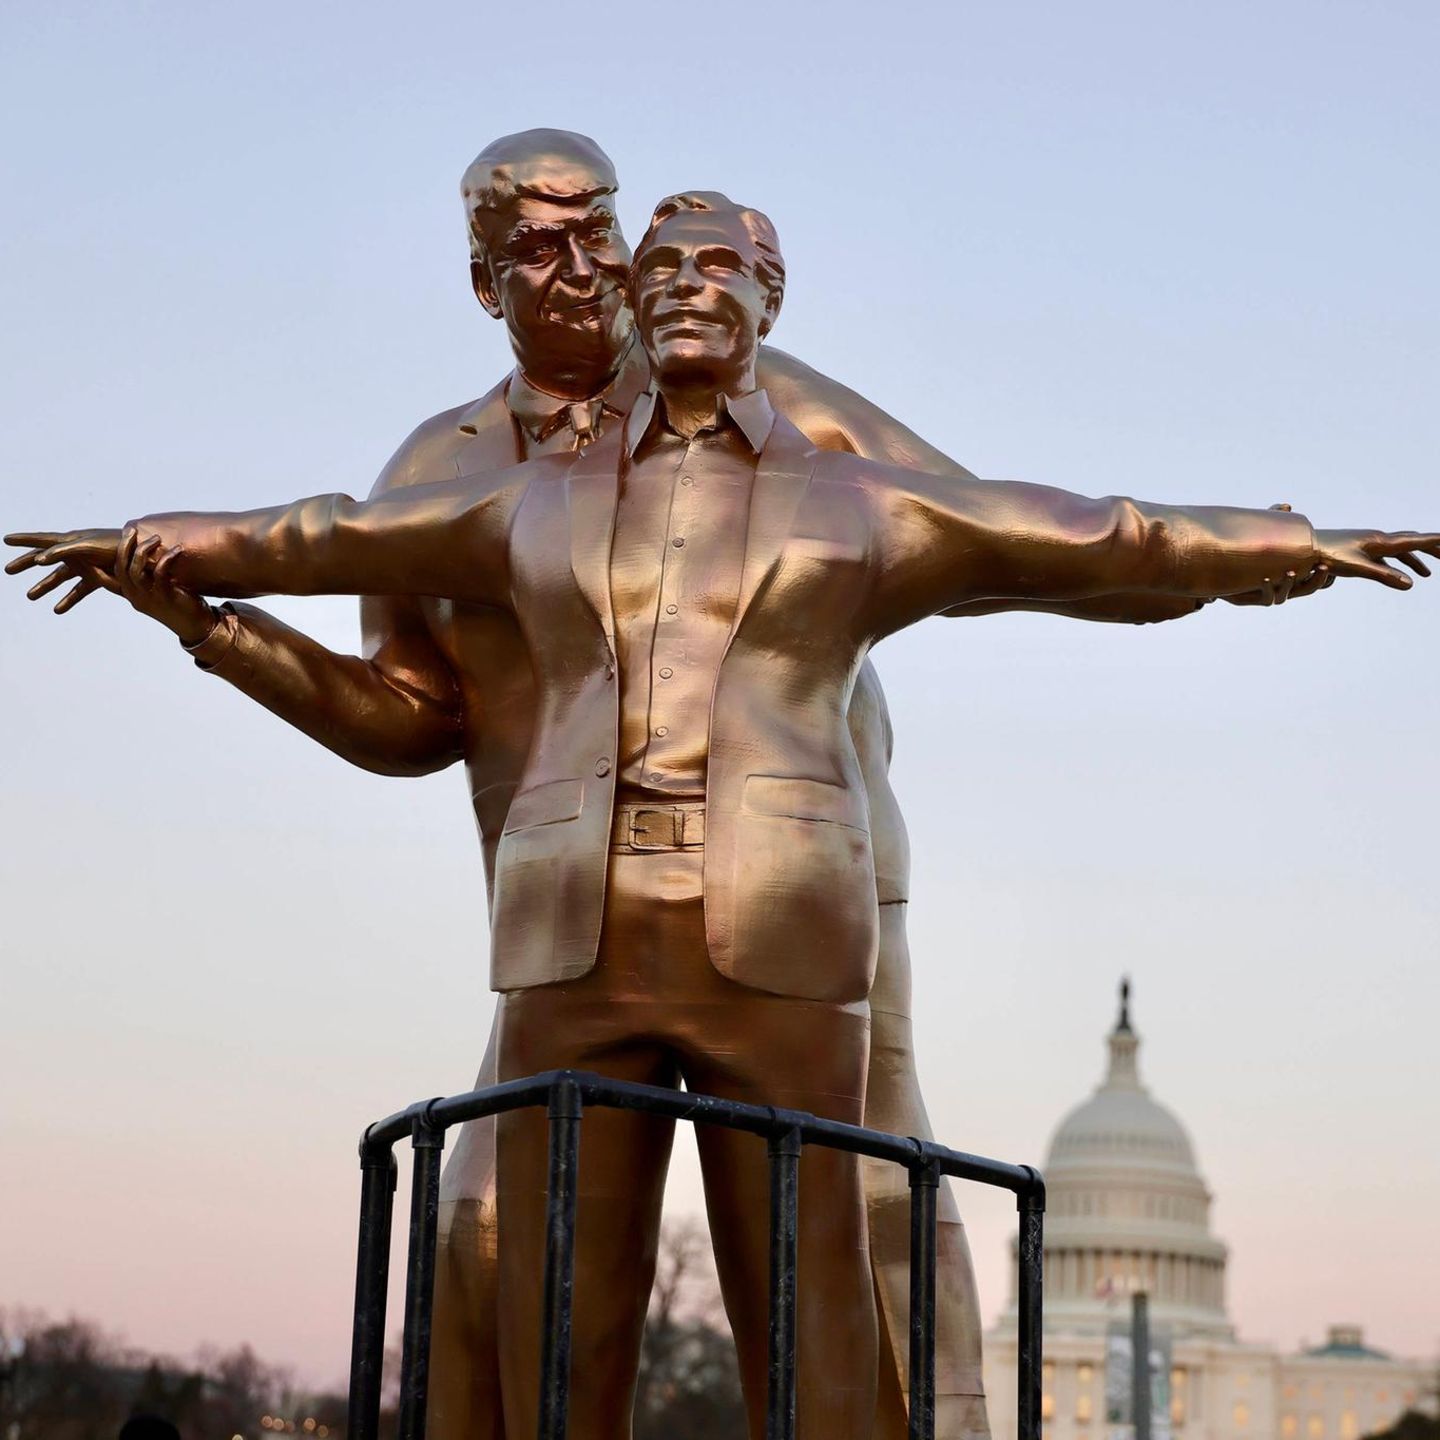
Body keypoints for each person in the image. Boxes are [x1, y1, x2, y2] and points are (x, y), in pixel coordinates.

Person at [14, 194, 1434, 1440]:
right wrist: (168, 554)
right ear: (637, 302)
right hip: (575, 931)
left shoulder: (862, 501)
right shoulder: (526, 500)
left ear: (770, 303)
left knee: (815, 1302)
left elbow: (1094, 534)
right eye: (665, 267)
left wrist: (1286, 547)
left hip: (786, 933)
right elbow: (325, 535)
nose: (685, 284)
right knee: (553, 1313)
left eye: (719, 266)